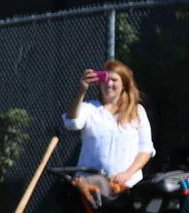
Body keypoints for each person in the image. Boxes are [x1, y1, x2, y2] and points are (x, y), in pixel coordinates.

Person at [62, 59, 154, 194]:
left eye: (114, 80)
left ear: (124, 84)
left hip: (126, 188)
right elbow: (71, 123)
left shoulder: (137, 111)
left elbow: (146, 149)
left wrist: (128, 173)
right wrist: (82, 90)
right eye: (105, 79)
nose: (109, 84)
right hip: (91, 188)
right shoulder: (90, 109)